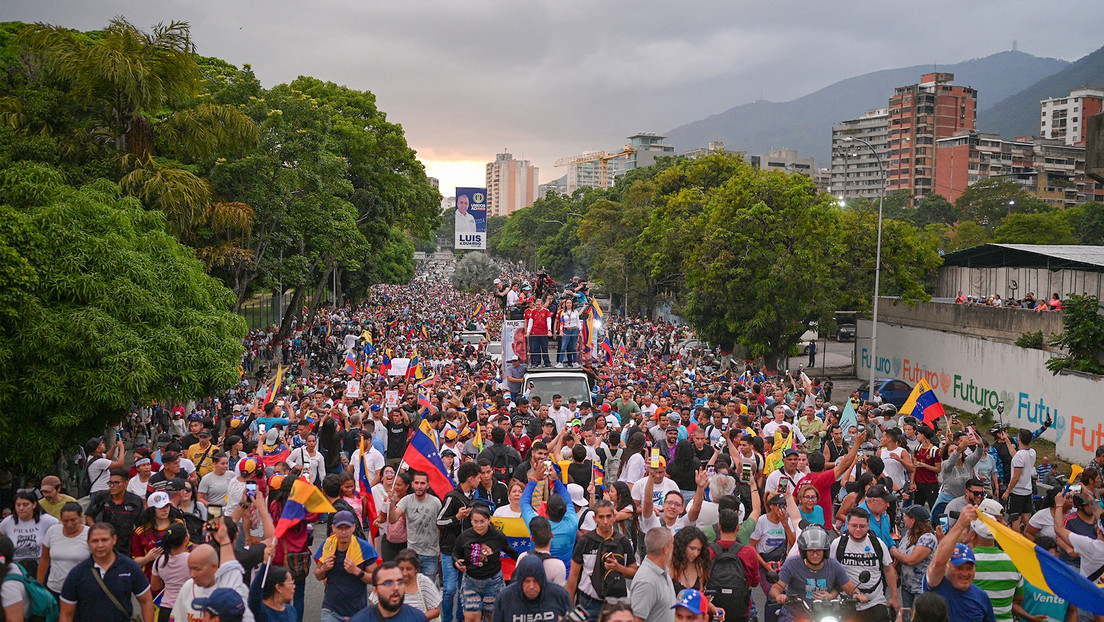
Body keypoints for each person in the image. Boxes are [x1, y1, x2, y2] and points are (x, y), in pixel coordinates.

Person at [59, 522, 156, 622]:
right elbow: (66, 614)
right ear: (88, 543)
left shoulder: (130, 568)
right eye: (95, 541)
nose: (100, 545)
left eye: (104, 540)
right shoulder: (77, 573)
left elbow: (146, 602)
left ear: (114, 539)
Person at [170, 516, 260, 622]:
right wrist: (224, 539)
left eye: (197, 569)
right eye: (190, 569)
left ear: (214, 567)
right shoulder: (188, 587)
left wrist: (224, 540)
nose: (192, 574)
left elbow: (230, 568)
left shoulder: (234, 591)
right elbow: (231, 569)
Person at [770, 526, 865, 622]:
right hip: (795, 615)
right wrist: (779, 596)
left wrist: (857, 595)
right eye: (811, 551)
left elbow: (850, 588)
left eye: (819, 550)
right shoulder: (792, 564)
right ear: (803, 551)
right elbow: (775, 588)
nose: (815, 555)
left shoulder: (833, 565)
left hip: (827, 614)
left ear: (825, 551)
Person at [567, 500, 638, 622]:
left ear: (614, 517)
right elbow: (573, 575)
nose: (605, 521)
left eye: (608, 516)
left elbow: (633, 571)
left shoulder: (623, 541)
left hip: (615, 603)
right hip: (588, 602)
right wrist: (569, 606)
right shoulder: (585, 541)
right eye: (601, 517)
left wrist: (618, 568)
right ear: (595, 519)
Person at [923, 504, 995, 622]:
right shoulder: (936, 586)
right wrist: (960, 524)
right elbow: (938, 562)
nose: (965, 573)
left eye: (969, 568)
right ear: (947, 567)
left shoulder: (981, 597)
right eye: (959, 567)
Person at [829, 508, 899, 622]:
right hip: (846, 603)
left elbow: (888, 570)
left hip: (875, 602)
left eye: (862, 526)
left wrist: (894, 597)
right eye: (854, 525)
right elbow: (831, 571)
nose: (858, 529)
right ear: (847, 524)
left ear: (868, 525)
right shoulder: (837, 544)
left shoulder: (878, 544)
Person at [313, 510, 379, 622]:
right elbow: (318, 575)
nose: (343, 532)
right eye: (340, 528)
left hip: (357, 612)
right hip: (330, 611)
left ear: (353, 527)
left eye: (347, 528)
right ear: (333, 528)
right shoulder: (328, 545)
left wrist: (357, 571)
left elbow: (376, 579)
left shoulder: (364, 548)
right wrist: (324, 568)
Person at [453, 505, 515, 622]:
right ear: (471, 521)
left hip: (493, 583)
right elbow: (455, 554)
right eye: (475, 522)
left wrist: (526, 559)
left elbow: (511, 552)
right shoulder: (464, 536)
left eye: (482, 521)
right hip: (470, 581)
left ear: (489, 520)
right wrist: (456, 562)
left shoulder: (497, 536)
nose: (479, 525)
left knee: (492, 617)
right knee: (471, 618)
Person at [521, 463, 579, 573]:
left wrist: (534, 479)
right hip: (564, 577)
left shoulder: (536, 526)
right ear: (565, 511)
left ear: (545, 510)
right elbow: (568, 501)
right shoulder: (572, 524)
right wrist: (556, 480)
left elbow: (524, 503)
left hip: (538, 575)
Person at [391, 471, 442, 583]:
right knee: (411, 586)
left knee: (428, 588)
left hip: (431, 553)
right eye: (417, 483)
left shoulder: (436, 503)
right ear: (412, 484)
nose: (419, 486)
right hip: (412, 553)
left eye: (422, 483)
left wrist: (440, 550)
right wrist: (391, 504)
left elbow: (440, 527)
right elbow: (393, 519)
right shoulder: (406, 500)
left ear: (428, 485)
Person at [490, 554, 572, 622]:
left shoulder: (560, 595)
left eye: (536, 581)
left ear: (542, 580)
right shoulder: (505, 598)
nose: (532, 587)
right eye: (527, 581)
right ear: (520, 581)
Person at [0, 490, 58, 578]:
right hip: (16, 569)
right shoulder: (8, 522)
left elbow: (64, 529)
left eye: (25, 504)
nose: (21, 508)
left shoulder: (47, 520)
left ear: (34, 505)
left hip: (40, 567)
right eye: (18, 505)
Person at [86, 468, 145, 555]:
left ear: (126, 483)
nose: (112, 486)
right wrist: (97, 530)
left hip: (126, 546)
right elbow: (89, 515)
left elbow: (141, 525)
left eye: (116, 483)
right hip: (104, 545)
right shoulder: (102, 497)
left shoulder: (135, 501)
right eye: (110, 483)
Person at [38, 502, 89, 599]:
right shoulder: (52, 531)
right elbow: (44, 558)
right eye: (65, 521)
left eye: (73, 520)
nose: (69, 525)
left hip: (81, 590)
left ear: (81, 518)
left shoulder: (90, 534)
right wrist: (39, 585)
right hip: (54, 588)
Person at [368, 550, 440, 620]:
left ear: (415, 569)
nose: (405, 573)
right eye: (401, 569)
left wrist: (415, 619)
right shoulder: (386, 581)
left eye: (409, 569)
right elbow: (373, 608)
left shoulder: (423, 582)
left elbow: (436, 610)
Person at [891, 505, 937, 609]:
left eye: (905, 516)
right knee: (907, 616)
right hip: (907, 586)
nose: (903, 518)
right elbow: (902, 551)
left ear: (913, 520)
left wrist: (894, 552)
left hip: (920, 589)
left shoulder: (928, 538)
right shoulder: (909, 533)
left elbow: (912, 560)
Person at [349, 562, 428, 622]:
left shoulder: (417, 618)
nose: (396, 588)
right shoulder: (360, 619)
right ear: (375, 591)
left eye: (400, 582)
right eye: (388, 583)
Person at [132, 491, 186, 579]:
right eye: (161, 507)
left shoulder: (178, 524)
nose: (165, 510)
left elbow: (186, 546)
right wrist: (147, 558)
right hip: (150, 578)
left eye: (167, 506)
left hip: (177, 575)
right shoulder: (141, 532)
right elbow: (135, 560)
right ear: (152, 510)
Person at [629, 527, 677, 622]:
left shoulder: (662, 570)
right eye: (672, 544)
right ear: (666, 549)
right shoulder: (647, 582)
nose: (674, 547)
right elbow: (636, 619)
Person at [151, 523, 192, 622]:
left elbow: (155, 586)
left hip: (165, 609)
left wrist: (169, 583)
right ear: (185, 539)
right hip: (186, 608)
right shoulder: (191, 559)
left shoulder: (159, 560)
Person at [518, 516, 568, 586]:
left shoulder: (522, 557)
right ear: (552, 535)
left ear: (532, 538)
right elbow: (559, 594)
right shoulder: (558, 565)